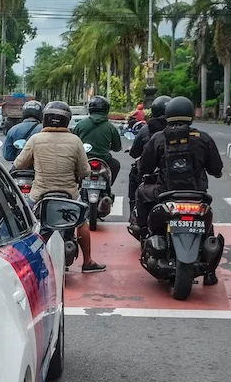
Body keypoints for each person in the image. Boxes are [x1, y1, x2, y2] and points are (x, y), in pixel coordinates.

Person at [136, 96, 224, 285]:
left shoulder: (158, 138)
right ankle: (210, 273)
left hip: (164, 193)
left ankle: (144, 233)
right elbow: (216, 169)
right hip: (197, 196)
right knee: (207, 226)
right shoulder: (203, 138)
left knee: (141, 193)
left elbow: (144, 168)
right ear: (191, 115)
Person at [15, 101, 106, 273]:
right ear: (67, 121)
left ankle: (27, 261)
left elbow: (19, 164)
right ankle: (87, 261)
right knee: (82, 222)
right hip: (70, 195)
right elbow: (84, 171)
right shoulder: (75, 141)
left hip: (40, 195)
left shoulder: (35, 140)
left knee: (25, 222)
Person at [128, 95, 171, 209]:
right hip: (190, 186)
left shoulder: (147, 130)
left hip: (159, 179)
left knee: (136, 180)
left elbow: (139, 158)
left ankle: (134, 211)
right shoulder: (195, 135)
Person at [73, 95, 122, 184]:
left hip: (84, 160)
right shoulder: (111, 127)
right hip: (104, 160)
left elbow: (73, 144)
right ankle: (108, 186)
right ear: (106, 110)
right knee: (116, 165)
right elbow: (117, 147)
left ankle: (78, 186)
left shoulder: (80, 125)